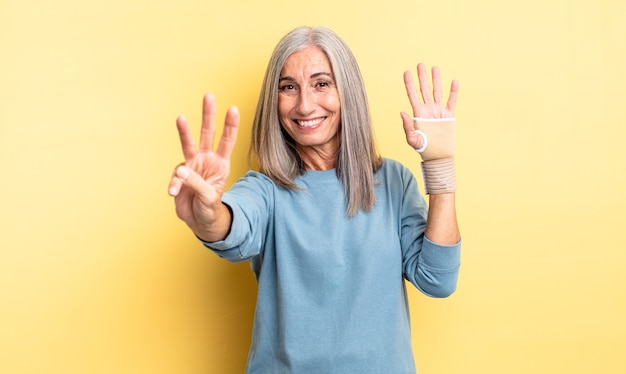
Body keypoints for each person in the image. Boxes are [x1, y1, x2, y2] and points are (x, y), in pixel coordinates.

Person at [168, 26, 461, 373]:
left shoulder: (394, 182)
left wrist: (439, 165)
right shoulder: (265, 189)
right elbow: (231, 226)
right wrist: (207, 212)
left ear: (346, 92)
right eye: (288, 87)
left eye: (321, 83)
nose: (305, 105)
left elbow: (437, 280)